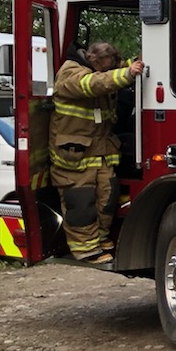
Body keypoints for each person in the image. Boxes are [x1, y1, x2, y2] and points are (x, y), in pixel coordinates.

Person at [49, 40, 143, 264]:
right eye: (106, 67)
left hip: (99, 151)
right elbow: (93, 84)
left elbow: (114, 71)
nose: (108, 71)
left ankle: (99, 240)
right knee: (80, 203)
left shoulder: (98, 68)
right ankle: (86, 250)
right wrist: (127, 74)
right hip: (74, 155)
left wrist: (139, 61)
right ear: (93, 60)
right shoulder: (70, 73)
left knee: (108, 196)